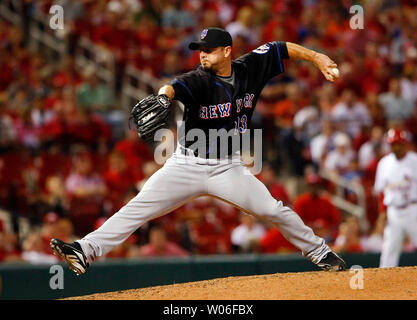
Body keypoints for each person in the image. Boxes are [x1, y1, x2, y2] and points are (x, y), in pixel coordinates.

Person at [51, 27, 346, 275]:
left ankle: (321, 253)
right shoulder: (199, 78)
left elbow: (282, 47)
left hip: (227, 168)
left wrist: (318, 57)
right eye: (200, 49)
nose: (202, 54)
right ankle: (84, 250)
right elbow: (173, 86)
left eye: (209, 49)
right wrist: (163, 97)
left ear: (227, 51)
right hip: (186, 165)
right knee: (137, 207)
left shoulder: (250, 68)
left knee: (272, 209)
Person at [374, 128, 417, 268]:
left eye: (397, 143)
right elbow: (381, 192)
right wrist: (382, 214)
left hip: (413, 209)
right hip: (393, 212)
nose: (394, 147)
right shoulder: (384, 163)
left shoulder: (414, 161)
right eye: (392, 144)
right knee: (389, 249)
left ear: (404, 143)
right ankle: (385, 282)